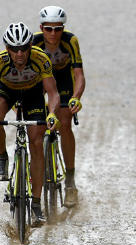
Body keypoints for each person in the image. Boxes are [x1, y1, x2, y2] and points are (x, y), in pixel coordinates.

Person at [0, 22, 60, 225]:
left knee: (36, 142)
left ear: (30, 46)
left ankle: (35, 203)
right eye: (14, 49)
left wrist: (52, 114)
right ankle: (2, 156)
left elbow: (52, 93)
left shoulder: (40, 59)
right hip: (7, 92)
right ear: (7, 48)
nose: (20, 53)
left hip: (33, 94)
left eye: (24, 48)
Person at [33, 6, 86, 208]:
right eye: (48, 29)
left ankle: (70, 182)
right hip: (40, 80)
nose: (53, 33)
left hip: (63, 80)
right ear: (41, 28)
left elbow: (79, 74)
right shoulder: (33, 42)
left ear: (63, 28)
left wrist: (76, 97)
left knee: (64, 123)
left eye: (58, 29)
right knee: (35, 126)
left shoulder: (70, 41)